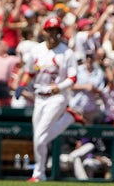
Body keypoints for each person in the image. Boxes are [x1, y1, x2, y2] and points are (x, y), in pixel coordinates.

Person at [16, 16, 81, 182]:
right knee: (39, 138)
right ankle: (40, 174)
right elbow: (30, 72)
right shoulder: (37, 50)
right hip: (39, 97)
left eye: (56, 30)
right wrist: (21, 85)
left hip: (58, 97)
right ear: (44, 31)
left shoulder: (67, 52)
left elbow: (73, 78)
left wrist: (59, 87)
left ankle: (38, 173)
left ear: (60, 32)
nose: (53, 33)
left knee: (40, 137)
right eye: (50, 30)